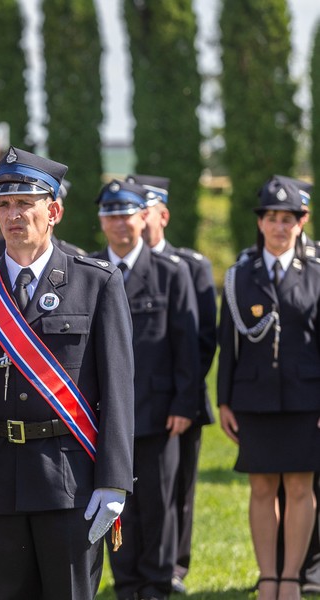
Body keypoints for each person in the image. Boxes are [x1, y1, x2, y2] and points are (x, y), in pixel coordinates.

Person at [0, 147, 135, 599]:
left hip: (70, 478)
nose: (13, 215)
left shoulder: (96, 283)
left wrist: (113, 481)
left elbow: (118, 390)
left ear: (54, 212)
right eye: (4, 204)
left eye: (26, 203)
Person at [92, 179, 200, 600]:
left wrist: (185, 403)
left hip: (157, 410)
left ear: (143, 218)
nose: (119, 223)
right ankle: (127, 581)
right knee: (115, 499)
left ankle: (156, 582)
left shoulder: (171, 272)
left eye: (127, 214)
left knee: (157, 501)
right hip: (104, 413)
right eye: (111, 215)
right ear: (101, 220)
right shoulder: (90, 271)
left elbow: (187, 345)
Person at [217, 175, 320, 600]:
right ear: (260, 223)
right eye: (272, 218)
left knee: (299, 487)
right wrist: (224, 400)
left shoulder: (316, 273)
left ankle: (291, 577)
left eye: (288, 219)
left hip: (306, 400)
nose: (280, 227)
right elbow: (228, 344)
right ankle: (268, 577)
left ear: (302, 221)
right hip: (254, 399)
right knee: (261, 488)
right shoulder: (240, 275)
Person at [126, 173, 218, 595]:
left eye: (145, 210)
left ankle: (175, 565)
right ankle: (142, 566)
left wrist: (184, 392)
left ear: (161, 215)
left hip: (181, 397)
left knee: (177, 487)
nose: (139, 219)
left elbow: (201, 339)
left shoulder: (190, 266)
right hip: (138, 400)